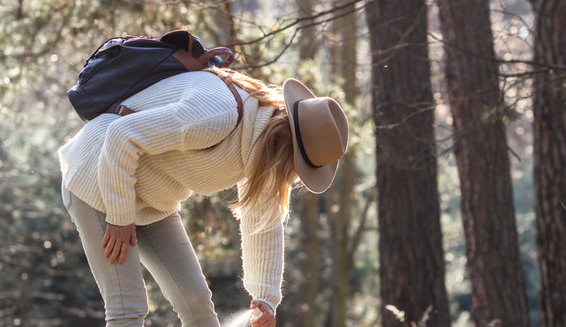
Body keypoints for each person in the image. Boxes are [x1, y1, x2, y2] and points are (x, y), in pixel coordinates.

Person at [57, 65, 349, 327]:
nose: (292, 177)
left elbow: (263, 219)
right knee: (128, 308)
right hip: (96, 179)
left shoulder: (261, 147)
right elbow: (121, 135)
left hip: (152, 201)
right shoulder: (219, 115)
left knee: (196, 302)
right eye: (296, 167)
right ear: (286, 144)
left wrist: (265, 299)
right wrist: (119, 219)